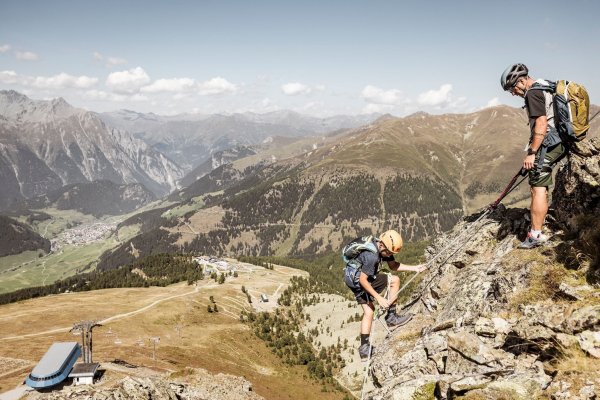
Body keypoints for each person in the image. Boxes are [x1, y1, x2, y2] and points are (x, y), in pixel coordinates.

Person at [500, 63, 566, 249]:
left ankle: (535, 235)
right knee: (539, 186)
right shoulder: (545, 85)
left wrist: (532, 153)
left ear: (521, 81)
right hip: (559, 140)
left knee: (538, 187)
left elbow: (542, 123)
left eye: (513, 88)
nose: (513, 93)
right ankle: (537, 226)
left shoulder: (532, 93)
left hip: (548, 143)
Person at [345, 229, 427, 360]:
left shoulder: (385, 247)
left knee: (369, 311)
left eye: (391, 253)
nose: (389, 255)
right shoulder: (371, 256)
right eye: (388, 252)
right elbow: (363, 280)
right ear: (382, 245)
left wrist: (415, 268)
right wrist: (379, 298)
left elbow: (393, 266)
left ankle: (364, 349)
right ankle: (392, 318)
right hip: (358, 280)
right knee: (394, 280)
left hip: (351, 277)